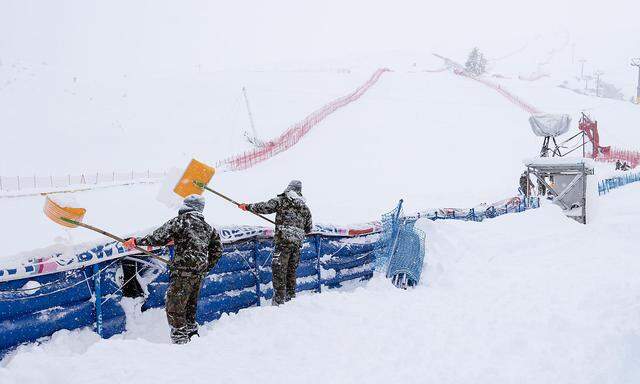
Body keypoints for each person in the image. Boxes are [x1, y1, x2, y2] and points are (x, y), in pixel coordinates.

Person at [123, 194, 222, 344]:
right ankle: (194, 338)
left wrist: (136, 241)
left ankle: (180, 343)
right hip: (198, 275)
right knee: (189, 308)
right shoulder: (209, 228)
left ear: (186, 206)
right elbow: (217, 250)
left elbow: (158, 237)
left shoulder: (181, 221)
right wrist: (206, 266)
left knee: (175, 309)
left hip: (182, 273)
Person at [238, 180, 312, 305]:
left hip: (283, 242)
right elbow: (308, 229)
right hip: (296, 245)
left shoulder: (282, 200)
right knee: (291, 272)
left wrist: (247, 206)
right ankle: (291, 300)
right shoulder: (305, 208)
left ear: (289, 189)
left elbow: (265, 207)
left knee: (279, 272)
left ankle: (278, 303)